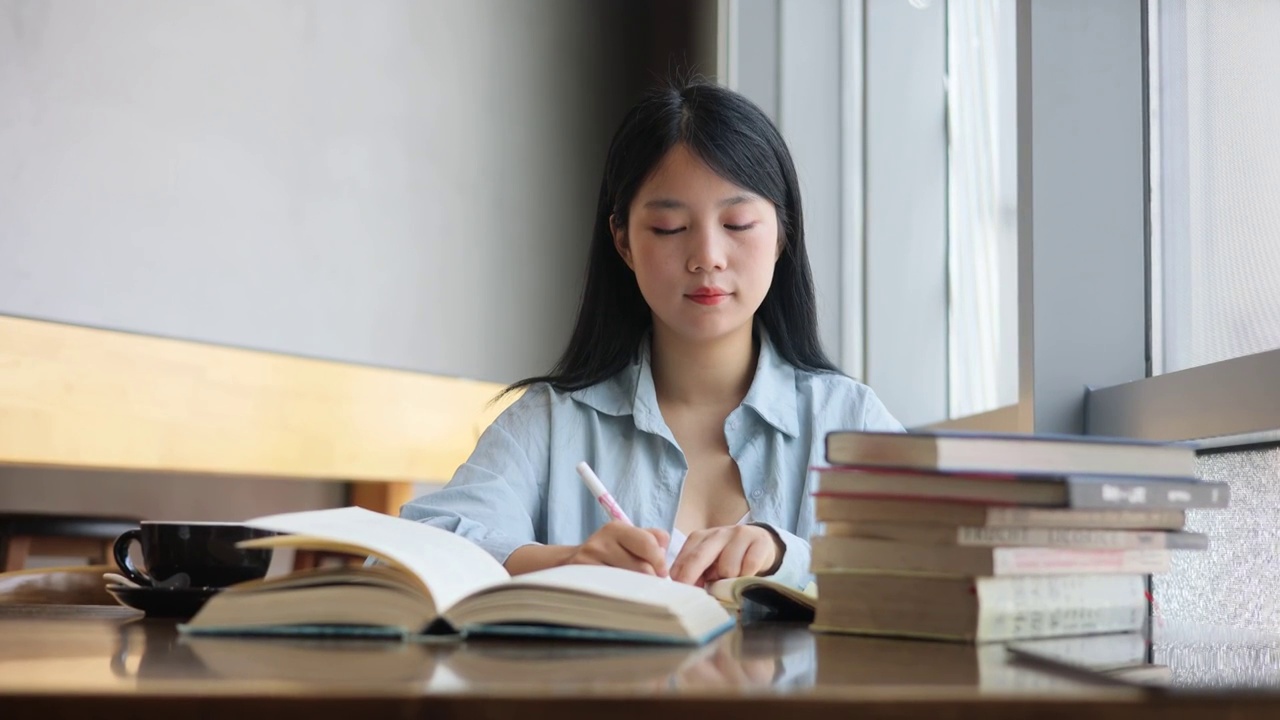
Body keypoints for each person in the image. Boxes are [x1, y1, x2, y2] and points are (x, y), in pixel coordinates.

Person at [401, 78, 903, 590]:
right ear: (623, 242)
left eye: (738, 224)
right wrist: (565, 563)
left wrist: (785, 558)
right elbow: (410, 553)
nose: (707, 255)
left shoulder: (849, 423)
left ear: (780, 233)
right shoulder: (550, 423)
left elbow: (942, 576)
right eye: (668, 228)